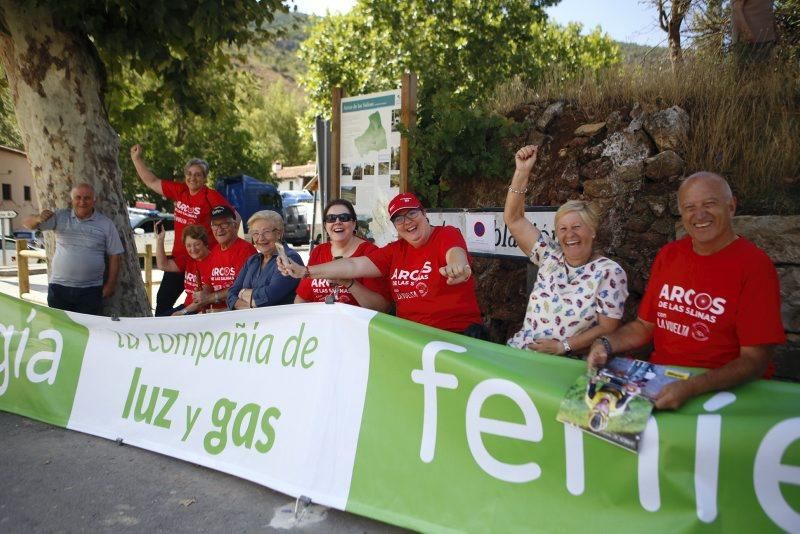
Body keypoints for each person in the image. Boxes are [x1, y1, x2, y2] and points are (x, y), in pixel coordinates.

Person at [587, 172, 786, 410]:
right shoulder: (669, 255)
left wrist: (692, 387)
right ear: (682, 213)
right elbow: (644, 326)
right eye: (690, 207)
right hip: (661, 381)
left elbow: (755, 360)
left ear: (731, 207)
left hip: (720, 392)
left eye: (709, 204)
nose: (699, 215)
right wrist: (606, 344)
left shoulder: (754, 266)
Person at [278, 192, 485, 337]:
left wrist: (457, 267)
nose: (407, 222)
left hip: (454, 335)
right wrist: (306, 271)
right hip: (410, 338)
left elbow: (456, 254)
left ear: (423, 213)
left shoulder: (445, 234)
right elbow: (353, 266)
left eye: (412, 213)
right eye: (399, 219)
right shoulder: (394, 250)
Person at [505, 145, 629, 357]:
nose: (569, 234)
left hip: (566, 362)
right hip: (521, 352)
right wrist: (522, 172)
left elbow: (608, 327)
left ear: (592, 231)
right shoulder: (549, 256)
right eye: (562, 229)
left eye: (576, 227)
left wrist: (563, 346)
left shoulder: (609, 272)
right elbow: (514, 219)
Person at [130, 144, 234, 316]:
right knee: (163, 301)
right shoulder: (181, 191)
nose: (193, 178)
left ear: (205, 178)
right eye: (189, 174)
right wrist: (137, 159)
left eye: (198, 175)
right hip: (181, 259)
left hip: (202, 259)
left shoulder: (210, 196)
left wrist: (225, 247)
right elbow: (152, 182)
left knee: (199, 304)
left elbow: (233, 216)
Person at [22, 183, 123, 315]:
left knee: (88, 332)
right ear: (72, 200)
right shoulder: (60, 216)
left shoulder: (105, 224)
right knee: (60, 331)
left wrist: (110, 285)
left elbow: (115, 255)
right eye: (78, 197)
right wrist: (37, 218)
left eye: (87, 198)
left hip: (91, 291)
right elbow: (26, 224)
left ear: (94, 200)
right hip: (59, 289)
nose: (82, 202)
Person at [294, 199, 390, 311]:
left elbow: (382, 307)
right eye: (331, 218)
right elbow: (302, 297)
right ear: (325, 226)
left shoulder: (370, 252)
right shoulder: (318, 251)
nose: (337, 222)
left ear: (354, 224)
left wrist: (348, 282)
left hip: (356, 325)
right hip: (320, 323)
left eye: (344, 217)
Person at [228, 210, 303, 309]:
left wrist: (242, 293)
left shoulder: (290, 258)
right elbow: (231, 295)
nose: (261, 238)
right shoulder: (252, 261)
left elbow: (270, 297)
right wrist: (251, 305)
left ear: (279, 233)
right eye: (255, 233)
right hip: (250, 322)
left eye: (266, 232)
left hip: (279, 321)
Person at [200, 206, 256, 311]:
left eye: (224, 224)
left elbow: (242, 286)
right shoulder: (214, 251)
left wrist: (211, 297)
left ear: (234, 225)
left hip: (236, 310)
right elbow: (208, 283)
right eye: (215, 225)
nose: (219, 229)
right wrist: (201, 292)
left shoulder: (246, 250)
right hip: (216, 310)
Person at [155, 223, 211, 316]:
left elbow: (201, 300)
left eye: (197, 244)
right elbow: (163, 265)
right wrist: (160, 239)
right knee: (158, 321)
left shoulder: (213, 261)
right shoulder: (188, 259)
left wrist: (182, 312)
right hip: (188, 307)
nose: (193, 249)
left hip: (203, 310)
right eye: (188, 245)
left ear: (205, 243)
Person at [732, 0, 777, 69]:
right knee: (747, 77)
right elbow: (737, 9)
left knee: (765, 77)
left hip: (767, 42)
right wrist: (747, 34)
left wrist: (775, 33)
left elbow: (769, 9)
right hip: (748, 43)